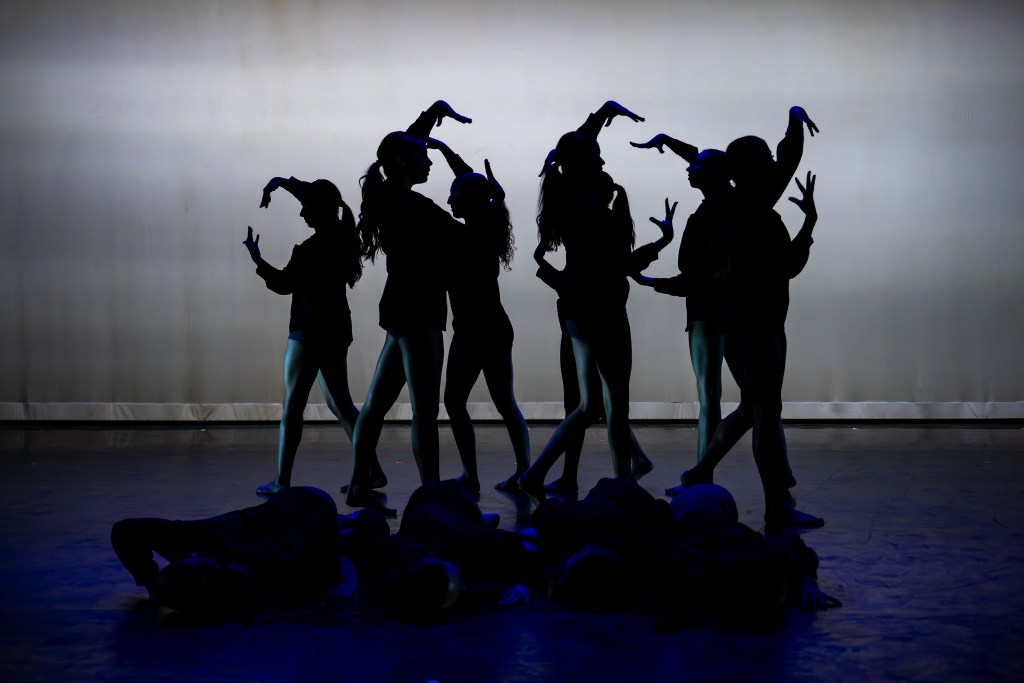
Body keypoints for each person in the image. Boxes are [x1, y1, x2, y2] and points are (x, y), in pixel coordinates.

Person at [517, 101, 671, 496]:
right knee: (615, 405)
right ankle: (622, 487)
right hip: (605, 311)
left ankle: (536, 474)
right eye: (597, 158)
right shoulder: (598, 213)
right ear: (585, 165)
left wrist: (601, 115)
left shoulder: (563, 199)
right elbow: (621, 265)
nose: (603, 163)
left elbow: (574, 146)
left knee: (587, 405)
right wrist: (661, 243)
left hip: (577, 312)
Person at [344, 101, 470, 516]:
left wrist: (431, 114)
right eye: (423, 157)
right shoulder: (418, 208)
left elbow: (402, 144)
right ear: (402, 163)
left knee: (376, 405)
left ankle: (358, 487)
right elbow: (470, 232)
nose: (429, 161)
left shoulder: (386, 197)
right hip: (421, 311)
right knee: (425, 411)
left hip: (399, 309)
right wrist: (478, 188)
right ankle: (431, 497)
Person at [242, 177, 366, 496]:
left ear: (318, 207)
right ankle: (370, 471)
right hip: (336, 330)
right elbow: (316, 196)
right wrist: (280, 183)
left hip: (308, 332)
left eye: (305, 207)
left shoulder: (310, 249)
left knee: (292, 408)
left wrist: (258, 260)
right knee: (341, 404)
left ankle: (281, 481)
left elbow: (284, 284)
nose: (301, 213)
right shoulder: (343, 237)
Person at [425, 138, 531, 493]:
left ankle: (476, 476)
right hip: (486, 329)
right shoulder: (484, 225)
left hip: (479, 332)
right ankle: (520, 472)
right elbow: (473, 185)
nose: (449, 200)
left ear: (470, 199)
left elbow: (472, 187)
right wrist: (445, 152)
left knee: (461, 402)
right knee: (497, 403)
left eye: (453, 194)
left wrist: (447, 155)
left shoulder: (470, 234)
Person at [111, 487, 342, 615]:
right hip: (308, 504)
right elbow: (322, 522)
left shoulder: (191, 542)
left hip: (299, 501)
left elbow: (125, 531)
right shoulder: (258, 569)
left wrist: (151, 584)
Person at [652, 483, 841, 625]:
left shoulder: (677, 548)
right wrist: (808, 581)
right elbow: (792, 546)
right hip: (716, 527)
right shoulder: (738, 539)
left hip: (702, 528)